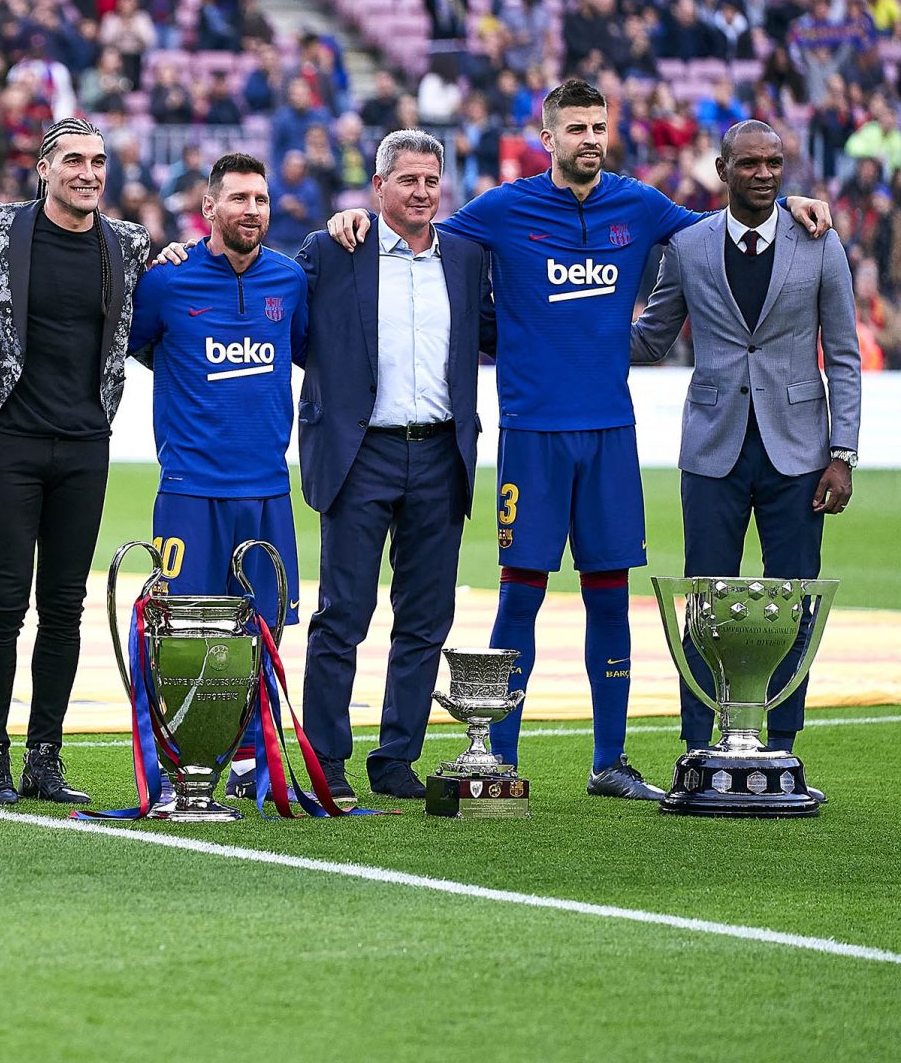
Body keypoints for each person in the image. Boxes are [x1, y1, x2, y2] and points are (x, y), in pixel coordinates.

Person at [327, 79, 832, 798]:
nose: (590, 138)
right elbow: (421, 239)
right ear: (549, 138)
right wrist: (355, 216)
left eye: (599, 126)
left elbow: (725, 230)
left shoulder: (640, 205)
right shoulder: (502, 209)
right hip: (532, 435)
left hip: (609, 434)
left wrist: (788, 208)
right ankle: (494, 756)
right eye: (576, 128)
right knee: (520, 598)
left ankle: (610, 763)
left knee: (609, 595)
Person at [630, 120, 859, 786]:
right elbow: (651, 340)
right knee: (705, 597)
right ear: (722, 169)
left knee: (794, 599)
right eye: (750, 163)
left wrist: (842, 452)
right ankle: (698, 743)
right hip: (712, 448)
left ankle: (782, 742)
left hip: (802, 453)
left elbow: (843, 357)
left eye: (774, 163)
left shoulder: (820, 242)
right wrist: (570, 325)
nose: (764, 173)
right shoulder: (689, 244)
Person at [0, 118, 151, 805]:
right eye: (73, 160)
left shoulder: (128, 243)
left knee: (64, 607)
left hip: (86, 442)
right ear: (43, 168)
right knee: (3, 603)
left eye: (98, 162)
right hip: (9, 440)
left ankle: (45, 758)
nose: (88, 173)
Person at [296, 131, 492, 801]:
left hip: (441, 452)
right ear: (377, 187)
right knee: (342, 613)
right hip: (362, 452)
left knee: (425, 618)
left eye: (432, 180)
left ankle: (397, 758)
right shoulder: (333, 249)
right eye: (408, 180)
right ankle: (327, 758)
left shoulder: (465, 257)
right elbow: (295, 334)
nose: (422, 192)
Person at [131, 153, 307, 801]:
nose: (251, 211)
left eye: (260, 199)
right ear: (208, 208)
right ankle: (184, 762)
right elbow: (133, 346)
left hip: (267, 491)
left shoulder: (289, 282)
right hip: (190, 492)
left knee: (262, 633)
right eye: (237, 199)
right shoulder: (166, 283)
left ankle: (246, 761)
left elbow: (310, 351)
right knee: (184, 639)